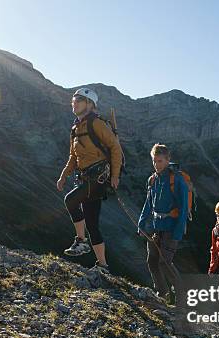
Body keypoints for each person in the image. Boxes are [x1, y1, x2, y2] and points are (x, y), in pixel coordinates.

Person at [56, 88, 123, 274]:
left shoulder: (97, 124)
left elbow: (115, 148)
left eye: (79, 100)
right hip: (85, 178)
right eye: (73, 99)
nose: (74, 102)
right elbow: (73, 157)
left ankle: (81, 241)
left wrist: (115, 176)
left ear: (90, 104)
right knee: (92, 224)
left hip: (98, 177)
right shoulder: (76, 128)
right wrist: (63, 176)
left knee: (70, 200)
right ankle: (103, 265)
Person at [137, 144, 189, 304]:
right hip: (156, 227)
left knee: (165, 262)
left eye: (160, 161)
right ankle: (162, 292)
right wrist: (141, 221)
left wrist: (178, 233)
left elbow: (183, 208)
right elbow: (148, 203)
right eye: (154, 161)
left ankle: (182, 297)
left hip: (171, 228)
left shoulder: (177, 180)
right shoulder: (152, 180)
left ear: (168, 160)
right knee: (152, 260)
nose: (156, 164)